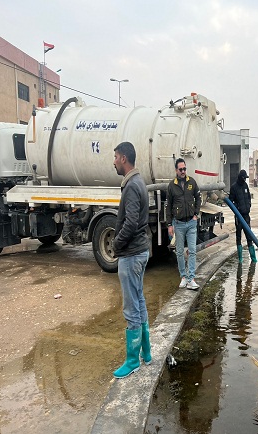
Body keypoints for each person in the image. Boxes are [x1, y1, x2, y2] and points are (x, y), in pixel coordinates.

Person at [112, 141, 151, 379]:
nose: (114, 161)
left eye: (116, 157)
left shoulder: (131, 186)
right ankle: (146, 353)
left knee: (131, 307)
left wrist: (116, 245)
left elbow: (132, 221)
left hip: (131, 254)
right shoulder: (138, 182)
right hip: (139, 251)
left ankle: (132, 361)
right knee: (139, 299)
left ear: (124, 158)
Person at [166, 158, 201, 290]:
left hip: (191, 223)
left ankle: (191, 278)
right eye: (180, 169)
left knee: (192, 251)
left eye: (184, 169)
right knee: (180, 252)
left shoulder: (191, 182)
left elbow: (198, 197)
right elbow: (168, 206)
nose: (183, 171)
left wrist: (196, 214)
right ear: (176, 170)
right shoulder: (172, 186)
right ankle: (183, 277)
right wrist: (170, 224)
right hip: (178, 224)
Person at [229, 169, 257, 263]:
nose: (245, 179)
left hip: (246, 216)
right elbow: (230, 201)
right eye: (244, 178)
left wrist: (249, 205)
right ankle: (240, 259)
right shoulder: (234, 187)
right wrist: (237, 208)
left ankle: (253, 258)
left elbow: (248, 197)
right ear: (241, 177)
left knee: (249, 236)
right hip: (239, 217)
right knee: (239, 237)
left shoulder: (245, 186)